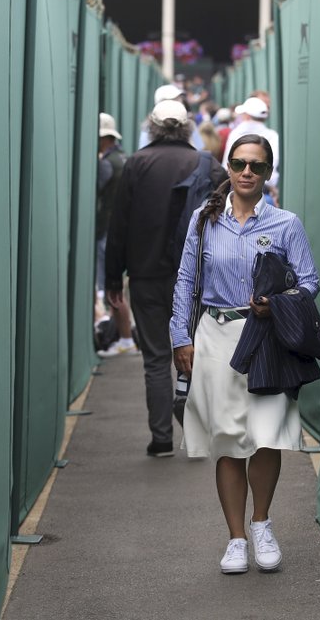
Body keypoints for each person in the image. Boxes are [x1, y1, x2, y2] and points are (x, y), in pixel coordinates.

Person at [170, 134, 319, 575]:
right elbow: (185, 281)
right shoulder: (204, 219)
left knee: (266, 433)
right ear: (228, 169)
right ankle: (236, 538)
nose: (247, 171)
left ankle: (261, 523)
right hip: (217, 336)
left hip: (267, 338)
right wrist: (181, 336)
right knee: (230, 442)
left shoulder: (286, 223)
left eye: (255, 165)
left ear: (268, 173)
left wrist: (278, 302)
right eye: (238, 163)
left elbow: (309, 281)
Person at [106, 99, 228, 457]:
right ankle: (190, 412)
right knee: (196, 350)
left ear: (152, 127)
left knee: (156, 356)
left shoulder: (136, 164)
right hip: (195, 277)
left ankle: (161, 438)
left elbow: (120, 223)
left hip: (145, 275)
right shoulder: (207, 163)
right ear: (187, 127)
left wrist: (114, 277)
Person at [95, 113, 136, 357]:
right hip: (123, 230)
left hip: (108, 231)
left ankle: (125, 338)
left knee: (111, 287)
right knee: (117, 286)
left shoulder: (107, 163)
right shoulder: (125, 159)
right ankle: (123, 335)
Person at [222, 96, 281, 190]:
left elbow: (226, 163)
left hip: (237, 184)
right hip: (265, 186)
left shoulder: (235, 133)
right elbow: (274, 162)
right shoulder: (272, 135)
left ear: (247, 115)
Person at [139, 83, 206, 151]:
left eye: (179, 99)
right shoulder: (148, 127)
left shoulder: (190, 124)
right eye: (175, 99)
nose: (180, 102)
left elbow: (199, 150)